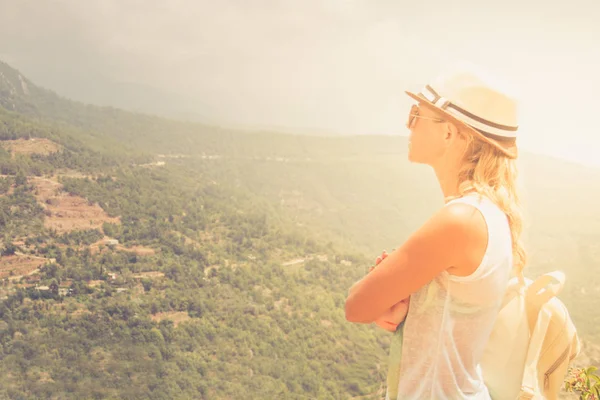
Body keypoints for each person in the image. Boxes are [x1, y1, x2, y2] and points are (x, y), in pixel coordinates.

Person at [345, 63, 526, 399]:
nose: (408, 125)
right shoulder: (489, 214)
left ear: (449, 132)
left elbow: (356, 306)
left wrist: (384, 286)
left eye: (417, 114)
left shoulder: (460, 221)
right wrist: (408, 298)